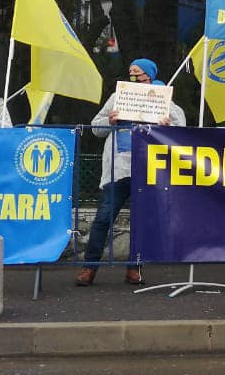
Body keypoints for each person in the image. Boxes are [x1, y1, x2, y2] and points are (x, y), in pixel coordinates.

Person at [77, 57, 181, 286]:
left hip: (148, 169)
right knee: (104, 218)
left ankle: (135, 268)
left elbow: (180, 124)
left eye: (137, 71)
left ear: (148, 75)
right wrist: (110, 120)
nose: (132, 75)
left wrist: (168, 123)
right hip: (118, 169)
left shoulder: (163, 98)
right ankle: (89, 268)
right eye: (130, 71)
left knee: (141, 221)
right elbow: (96, 127)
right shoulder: (118, 97)